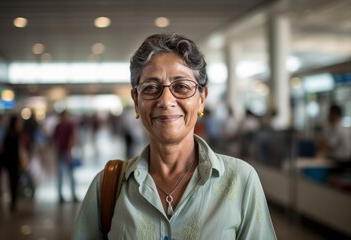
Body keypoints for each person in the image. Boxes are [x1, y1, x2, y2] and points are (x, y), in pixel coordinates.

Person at [73, 33, 276, 239]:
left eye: (181, 87)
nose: (166, 100)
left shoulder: (239, 180)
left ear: (202, 98)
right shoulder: (108, 186)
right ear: (136, 100)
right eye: (151, 88)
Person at [52, 110, 78, 203]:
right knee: (60, 174)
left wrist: (69, 151)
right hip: (60, 152)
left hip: (67, 152)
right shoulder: (58, 126)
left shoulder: (70, 126)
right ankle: (60, 195)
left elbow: (72, 138)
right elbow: (55, 139)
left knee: (71, 174)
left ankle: (73, 194)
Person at [2, 114, 23, 211]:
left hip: (15, 162)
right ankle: (13, 200)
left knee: (15, 181)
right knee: (12, 181)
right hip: (11, 162)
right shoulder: (10, 135)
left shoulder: (18, 134)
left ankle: (14, 199)